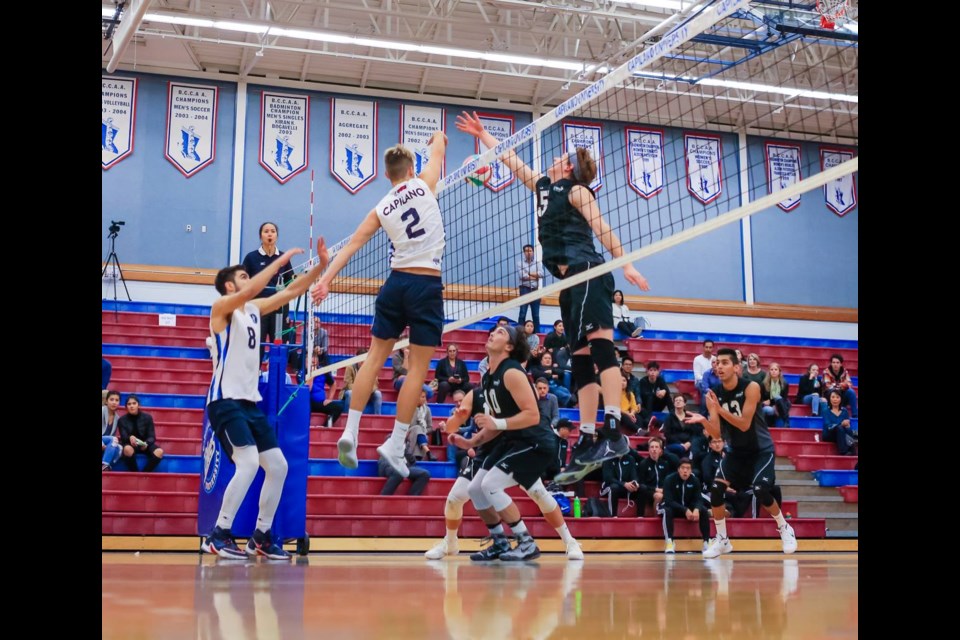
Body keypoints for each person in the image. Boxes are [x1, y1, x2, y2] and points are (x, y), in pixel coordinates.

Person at [456, 111, 650, 485]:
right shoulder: (546, 187)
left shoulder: (577, 190)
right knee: (578, 361)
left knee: (601, 349)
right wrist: (484, 135)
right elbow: (513, 164)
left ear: (571, 168)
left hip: (589, 272)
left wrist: (626, 265)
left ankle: (612, 428)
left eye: (564, 156)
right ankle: (590, 436)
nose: (557, 157)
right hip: (567, 284)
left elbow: (601, 226)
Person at [312, 132, 448, 480]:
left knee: (373, 358)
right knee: (416, 369)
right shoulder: (425, 184)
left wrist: (325, 280)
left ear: (387, 175)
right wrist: (438, 137)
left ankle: (350, 431)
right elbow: (438, 151)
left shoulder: (382, 206)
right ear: (411, 168)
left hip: (395, 284)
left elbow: (352, 245)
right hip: (426, 284)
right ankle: (395, 441)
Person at [202, 237, 328, 560]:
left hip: (249, 401)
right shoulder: (221, 309)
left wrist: (321, 268)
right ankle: (219, 534)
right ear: (229, 286)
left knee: (278, 466)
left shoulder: (255, 311)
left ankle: (260, 536)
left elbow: (290, 292)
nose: (248, 280)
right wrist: (278, 261)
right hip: (225, 401)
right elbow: (251, 289)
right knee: (246, 465)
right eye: (243, 276)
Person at [447, 325, 583, 561]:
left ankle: (527, 542)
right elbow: (493, 425)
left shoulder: (512, 372)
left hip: (535, 442)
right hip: (513, 442)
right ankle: (500, 542)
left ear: (509, 346)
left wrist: (495, 424)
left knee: (492, 485)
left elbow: (532, 416)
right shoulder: (488, 377)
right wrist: (470, 440)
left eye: (500, 333)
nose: (492, 333)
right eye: (493, 331)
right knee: (475, 488)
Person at [685, 348, 797, 558]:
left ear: (737, 367)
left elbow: (745, 424)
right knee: (716, 489)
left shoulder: (751, 386)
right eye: (717, 362)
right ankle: (722, 540)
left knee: (760, 490)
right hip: (735, 451)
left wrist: (718, 410)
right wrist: (704, 421)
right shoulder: (714, 393)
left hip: (760, 450)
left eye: (725, 362)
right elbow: (717, 433)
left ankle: (784, 528)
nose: (719, 366)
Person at [242, 222, 295, 348]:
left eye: (272, 231)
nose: (269, 234)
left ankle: (277, 369)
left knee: (278, 347)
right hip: (257, 309)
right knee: (256, 346)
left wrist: (286, 312)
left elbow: (290, 283)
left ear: (276, 235)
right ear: (260, 236)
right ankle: (256, 368)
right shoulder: (251, 257)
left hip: (278, 310)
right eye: (266, 231)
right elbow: (242, 280)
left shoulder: (283, 258)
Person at [118, 394, 164, 472]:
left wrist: (146, 443)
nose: (131, 406)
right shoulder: (122, 420)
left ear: (138, 405)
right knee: (127, 449)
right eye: (129, 404)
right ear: (126, 407)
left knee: (159, 452)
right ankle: (134, 472)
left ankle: (145, 473)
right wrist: (130, 438)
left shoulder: (147, 417)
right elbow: (123, 437)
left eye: (134, 403)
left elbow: (152, 436)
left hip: (145, 444)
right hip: (130, 444)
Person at [517, 244, 543, 330]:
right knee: (522, 313)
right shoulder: (520, 263)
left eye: (530, 251)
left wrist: (529, 274)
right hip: (524, 289)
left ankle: (537, 333)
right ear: (524, 252)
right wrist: (535, 276)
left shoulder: (537, 263)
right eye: (526, 251)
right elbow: (522, 276)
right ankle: (520, 332)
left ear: (533, 252)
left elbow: (541, 274)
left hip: (535, 290)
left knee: (536, 314)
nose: (528, 252)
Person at [102, 390, 122, 471]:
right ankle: (105, 465)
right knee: (114, 439)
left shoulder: (117, 418)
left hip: (106, 442)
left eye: (117, 400)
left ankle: (105, 465)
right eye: (111, 399)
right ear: (106, 401)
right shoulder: (102, 410)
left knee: (119, 448)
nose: (114, 402)